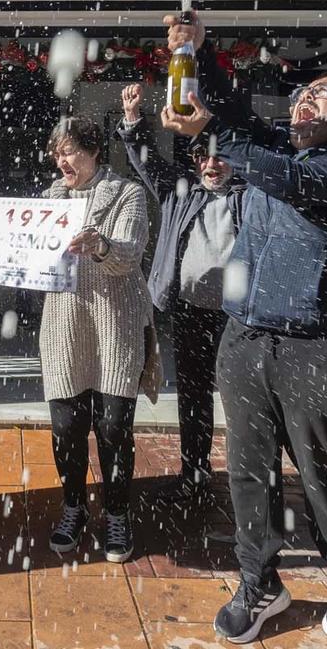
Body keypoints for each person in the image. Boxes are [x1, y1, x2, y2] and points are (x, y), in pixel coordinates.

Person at [161, 13, 327, 646]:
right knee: (247, 469)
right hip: (245, 337)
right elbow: (228, 114)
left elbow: (293, 179)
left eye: (324, 94)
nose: (306, 98)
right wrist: (195, 55)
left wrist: (215, 132)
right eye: (302, 93)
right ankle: (260, 582)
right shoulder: (272, 148)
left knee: (322, 471)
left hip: (317, 343)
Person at [115, 84, 245, 507]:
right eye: (201, 157)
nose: (209, 165)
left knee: (244, 402)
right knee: (193, 398)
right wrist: (134, 122)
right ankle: (194, 476)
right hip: (190, 312)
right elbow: (149, 165)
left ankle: (251, 486)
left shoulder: (252, 198)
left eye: (218, 156)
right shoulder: (180, 193)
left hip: (239, 318)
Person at [39, 117, 159, 564]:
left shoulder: (125, 193)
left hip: (115, 325)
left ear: (93, 152)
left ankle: (117, 513)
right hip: (64, 326)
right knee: (66, 427)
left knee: (112, 427)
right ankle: (73, 506)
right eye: (57, 152)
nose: (61, 160)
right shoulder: (50, 199)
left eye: (69, 151)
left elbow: (129, 254)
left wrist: (102, 246)